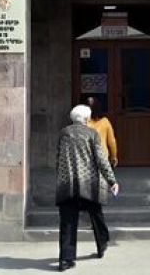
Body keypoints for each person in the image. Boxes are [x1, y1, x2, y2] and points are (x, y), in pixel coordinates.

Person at [55, 104, 120, 272]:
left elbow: (58, 157)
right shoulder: (92, 134)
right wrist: (112, 181)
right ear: (86, 118)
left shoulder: (64, 133)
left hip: (67, 184)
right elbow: (101, 159)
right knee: (96, 214)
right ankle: (102, 243)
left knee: (67, 222)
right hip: (89, 184)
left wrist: (60, 176)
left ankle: (65, 260)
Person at [85, 96, 119, 167]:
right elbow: (112, 142)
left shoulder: (82, 122)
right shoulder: (105, 121)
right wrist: (113, 157)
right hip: (102, 154)